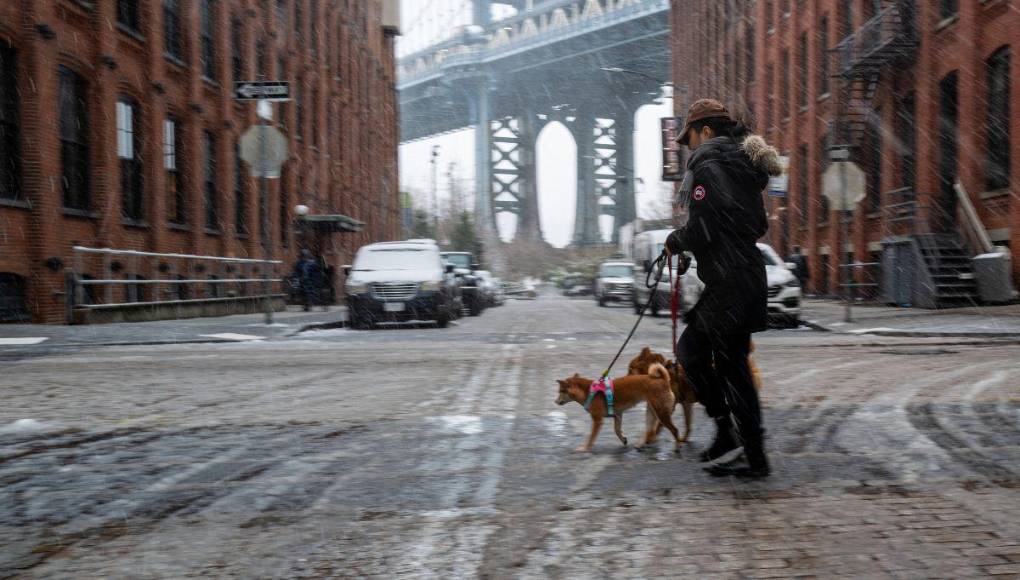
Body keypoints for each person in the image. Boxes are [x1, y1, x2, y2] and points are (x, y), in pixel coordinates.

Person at [664, 99, 782, 478]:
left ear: (707, 132)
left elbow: (705, 226)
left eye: (691, 138)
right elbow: (744, 222)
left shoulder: (709, 163)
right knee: (728, 367)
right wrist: (694, 245)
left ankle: (736, 439)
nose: (690, 147)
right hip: (743, 276)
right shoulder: (740, 163)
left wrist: (677, 240)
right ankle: (742, 444)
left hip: (731, 282)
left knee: (697, 354)